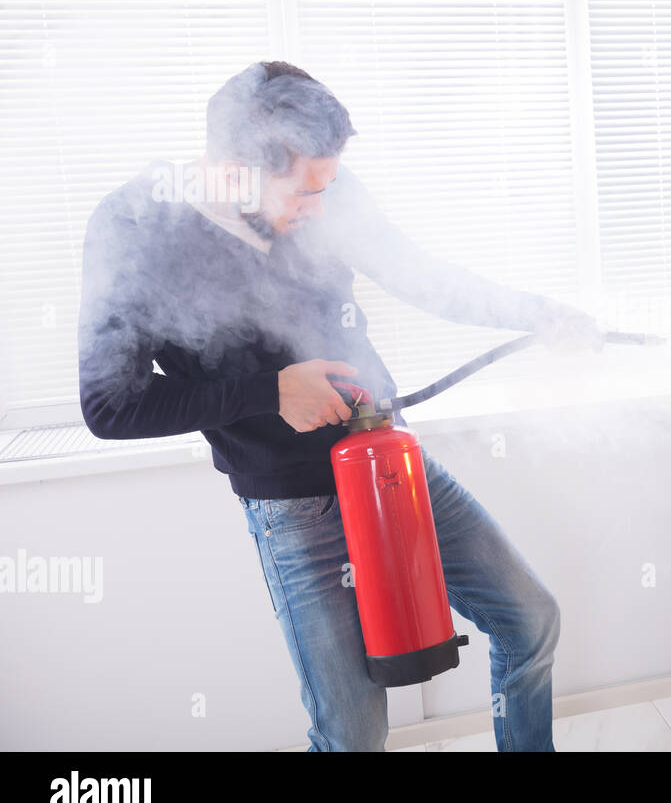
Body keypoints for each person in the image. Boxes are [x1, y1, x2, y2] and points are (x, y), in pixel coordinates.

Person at [77, 60, 603, 751]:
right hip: (295, 506)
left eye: (329, 186)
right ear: (236, 169)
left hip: (390, 463)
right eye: (305, 191)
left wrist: (538, 314)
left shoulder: (325, 188)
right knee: (351, 733)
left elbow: (422, 276)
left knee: (530, 619)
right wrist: (271, 392)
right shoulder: (136, 226)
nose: (322, 208)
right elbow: (109, 406)